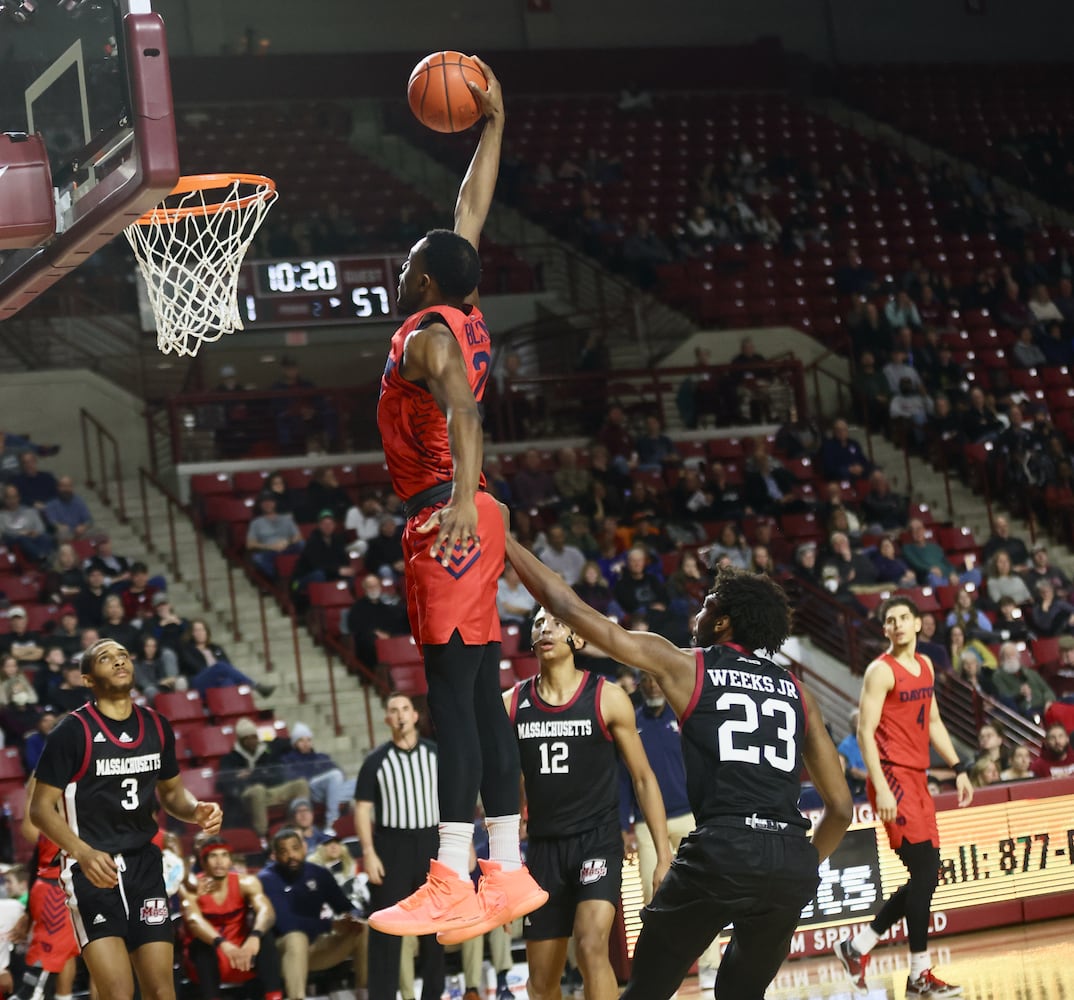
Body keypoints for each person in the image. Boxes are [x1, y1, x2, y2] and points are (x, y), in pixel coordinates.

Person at [503, 533, 853, 1000]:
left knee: (647, 990)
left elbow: (568, 606)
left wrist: (504, 539)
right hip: (789, 859)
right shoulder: (798, 691)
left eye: (707, 606)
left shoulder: (691, 666)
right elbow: (842, 809)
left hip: (724, 849)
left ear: (725, 621)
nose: (698, 615)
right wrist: (802, 861)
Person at [370, 59, 546, 939]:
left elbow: (468, 413)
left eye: (408, 266)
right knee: (479, 697)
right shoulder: (465, 309)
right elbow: (465, 219)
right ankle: (507, 868)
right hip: (472, 511)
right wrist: (492, 127)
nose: (403, 270)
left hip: (448, 514)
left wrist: (459, 499)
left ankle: (449, 871)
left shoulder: (423, 335)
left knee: (453, 697)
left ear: (426, 284)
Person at [28, 638, 223, 1000]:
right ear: (88, 678)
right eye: (106, 658)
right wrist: (83, 853)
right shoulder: (72, 731)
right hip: (92, 870)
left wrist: (196, 810)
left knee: (162, 991)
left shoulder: (157, 725)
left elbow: (172, 795)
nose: (119, 662)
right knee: (118, 992)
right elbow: (40, 809)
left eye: (123, 656)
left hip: (145, 867)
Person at [504, 607, 672, 1000]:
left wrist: (664, 855)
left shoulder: (608, 697)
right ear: (531, 640)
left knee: (592, 945)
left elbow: (644, 778)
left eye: (557, 623)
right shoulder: (511, 703)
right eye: (538, 624)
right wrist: (504, 863)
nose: (546, 628)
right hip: (544, 848)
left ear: (578, 640)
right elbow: (501, 784)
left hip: (597, 841)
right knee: (542, 981)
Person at [834, 596, 973, 998]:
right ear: (886, 630)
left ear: (917, 624)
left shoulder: (926, 666)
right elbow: (865, 732)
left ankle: (857, 946)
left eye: (903, 618)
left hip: (917, 777)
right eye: (889, 620)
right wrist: (879, 784)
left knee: (925, 878)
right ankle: (918, 975)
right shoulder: (880, 671)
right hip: (892, 777)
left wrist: (960, 767)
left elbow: (933, 721)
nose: (896, 625)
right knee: (926, 872)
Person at [620, 671, 721, 988]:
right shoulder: (630, 723)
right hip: (648, 823)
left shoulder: (684, 716)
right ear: (639, 685)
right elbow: (623, 779)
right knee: (654, 897)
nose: (652, 684)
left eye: (656, 679)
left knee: (703, 892)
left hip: (689, 815)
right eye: (645, 680)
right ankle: (663, 970)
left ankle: (710, 966)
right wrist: (625, 825)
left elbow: (706, 763)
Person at [355, 692, 445, 1000]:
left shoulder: (436, 754)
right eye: (394, 710)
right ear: (387, 720)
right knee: (387, 927)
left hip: (432, 842)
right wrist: (368, 852)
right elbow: (363, 809)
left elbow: (453, 800)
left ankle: (434, 994)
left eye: (405, 708)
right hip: (391, 846)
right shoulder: (375, 762)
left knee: (436, 926)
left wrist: (464, 845)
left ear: (416, 715)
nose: (401, 714)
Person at [258, 828, 367, 1000]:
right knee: (296, 937)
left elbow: (342, 905)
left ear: (303, 848)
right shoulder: (267, 879)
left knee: (362, 929)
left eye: (295, 848)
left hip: (318, 946)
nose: (291, 855)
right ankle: (296, 997)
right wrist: (330, 924)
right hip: (284, 953)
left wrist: (353, 916)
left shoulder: (318, 873)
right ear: (275, 856)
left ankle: (365, 992)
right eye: (284, 851)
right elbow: (285, 923)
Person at [180, 837, 284, 1000]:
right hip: (209, 957)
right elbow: (194, 921)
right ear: (204, 861)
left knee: (266, 936)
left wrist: (255, 937)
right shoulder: (192, 888)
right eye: (214, 856)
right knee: (200, 945)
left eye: (224, 855)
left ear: (230, 859)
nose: (220, 861)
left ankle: (274, 996)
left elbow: (267, 911)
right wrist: (222, 944)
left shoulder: (247, 882)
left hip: (244, 953)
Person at [10, 775, 80, 1000]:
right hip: (56, 894)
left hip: (51, 889)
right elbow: (33, 796)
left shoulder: (47, 824)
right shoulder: (68, 825)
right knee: (38, 977)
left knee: (67, 954)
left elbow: (32, 795)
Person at [216, 718, 310, 839]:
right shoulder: (230, 758)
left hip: (272, 790)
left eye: (253, 737)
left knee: (300, 784)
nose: (252, 741)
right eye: (247, 738)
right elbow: (223, 781)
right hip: (248, 795)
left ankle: (302, 826)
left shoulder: (268, 749)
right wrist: (237, 777)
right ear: (240, 741)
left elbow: (289, 744)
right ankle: (261, 835)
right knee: (258, 790)